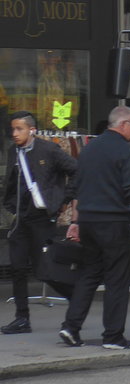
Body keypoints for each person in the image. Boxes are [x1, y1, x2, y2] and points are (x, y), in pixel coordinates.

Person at [58, 106, 130, 350]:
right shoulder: (124, 150)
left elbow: (78, 189)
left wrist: (76, 222)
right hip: (113, 223)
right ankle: (113, 336)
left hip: (88, 221)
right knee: (117, 279)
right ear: (123, 124)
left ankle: (71, 327)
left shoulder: (89, 149)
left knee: (88, 274)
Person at [1, 111, 77, 335]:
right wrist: (11, 204)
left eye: (19, 129)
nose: (14, 134)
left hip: (42, 217)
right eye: (12, 129)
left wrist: (62, 200)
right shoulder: (13, 151)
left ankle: (76, 296)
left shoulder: (49, 150)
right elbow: (12, 182)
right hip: (21, 217)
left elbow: (76, 170)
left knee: (44, 269)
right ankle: (22, 317)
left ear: (31, 130)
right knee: (17, 267)